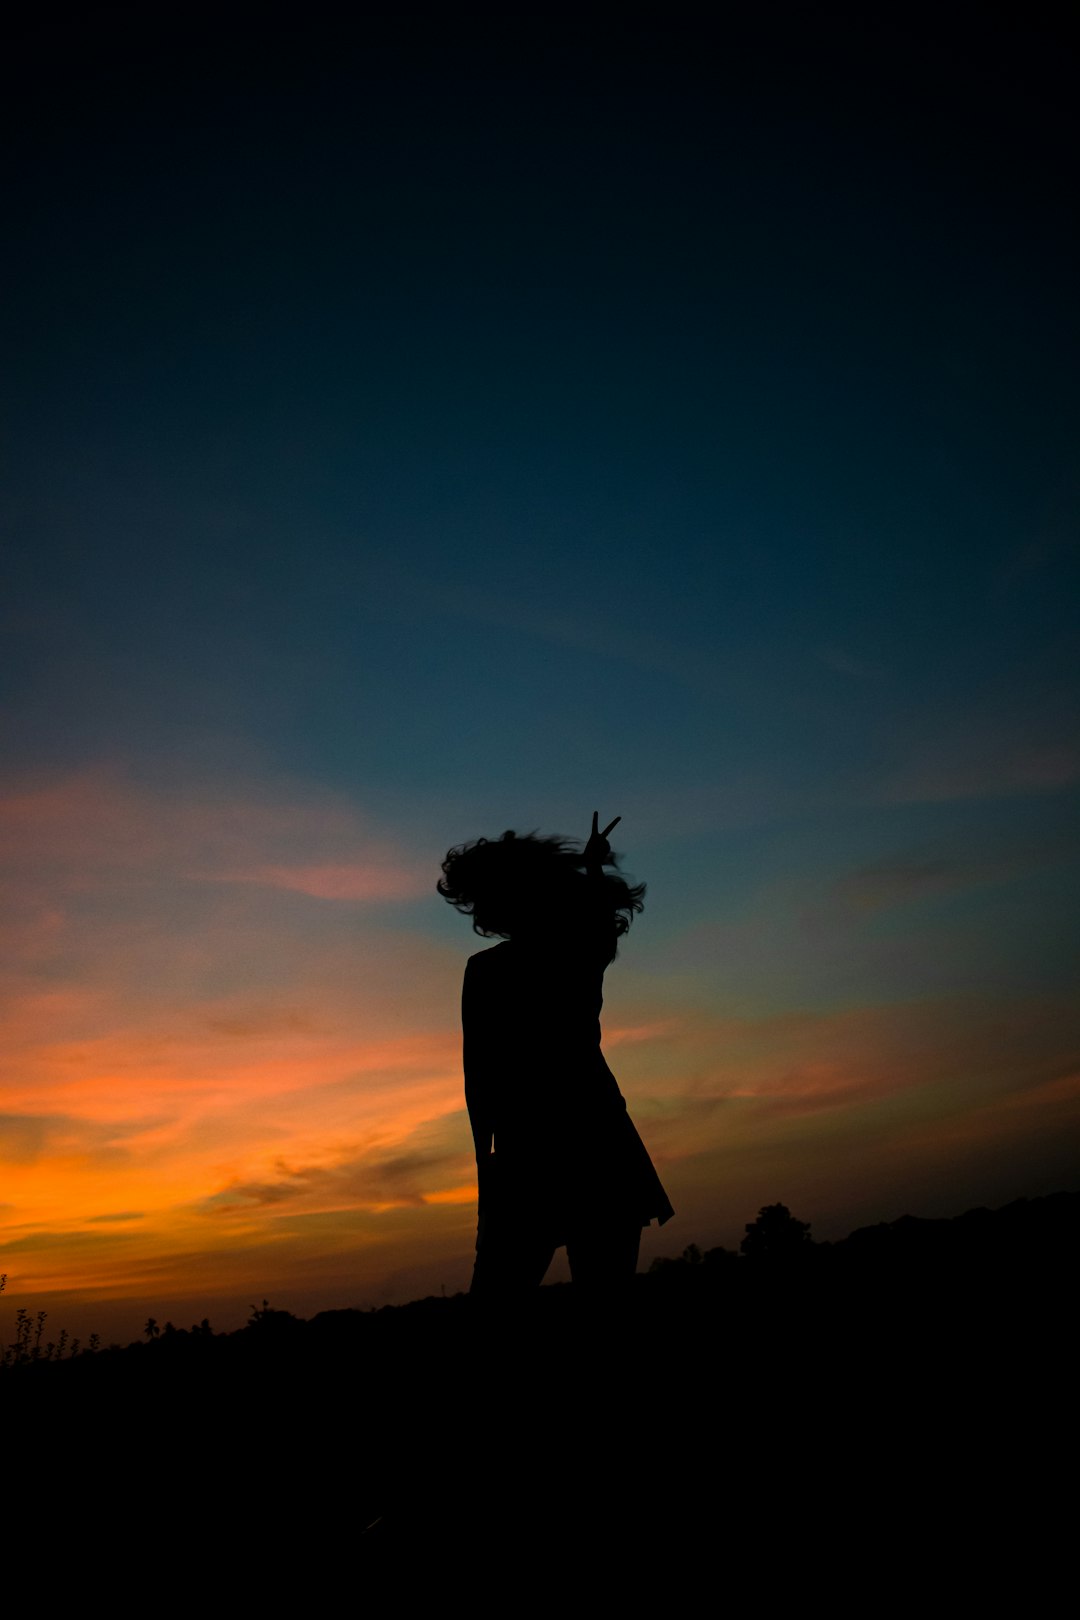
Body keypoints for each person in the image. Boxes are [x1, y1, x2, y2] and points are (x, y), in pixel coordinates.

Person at [438, 813, 674, 1296]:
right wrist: (590, 871)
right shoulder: (578, 953)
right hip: (593, 1143)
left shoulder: (491, 970)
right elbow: (599, 924)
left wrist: (490, 1175)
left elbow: (479, 1083)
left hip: (540, 1155)